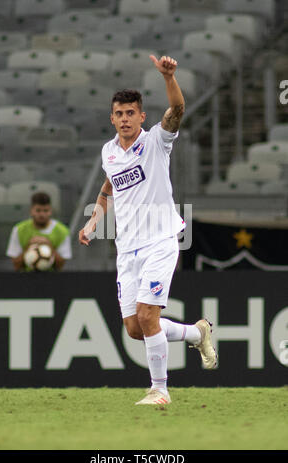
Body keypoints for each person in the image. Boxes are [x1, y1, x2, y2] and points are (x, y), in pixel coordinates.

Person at [79, 55, 217, 405]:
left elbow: (178, 109)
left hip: (160, 240)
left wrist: (169, 78)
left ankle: (161, 390)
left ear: (142, 116)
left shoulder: (157, 140)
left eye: (131, 113)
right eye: (119, 114)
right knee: (135, 329)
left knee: (147, 315)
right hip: (127, 249)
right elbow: (109, 186)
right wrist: (95, 218)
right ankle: (195, 333)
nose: (125, 119)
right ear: (112, 118)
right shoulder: (109, 152)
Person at [7, 191, 72, 271]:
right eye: (38, 210)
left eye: (45, 211)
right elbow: (16, 266)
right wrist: (28, 247)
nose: (42, 214)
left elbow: (60, 266)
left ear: (51, 211)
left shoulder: (62, 231)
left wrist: (50, 246)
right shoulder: (18, 229)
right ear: (31, 211)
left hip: (53, 278)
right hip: (26, 278)